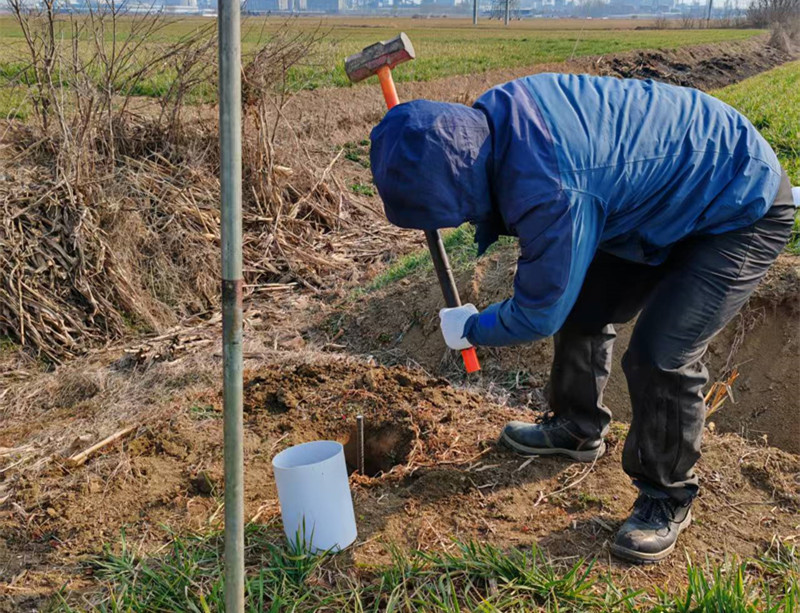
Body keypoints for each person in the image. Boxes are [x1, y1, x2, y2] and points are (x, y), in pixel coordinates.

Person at [369, 73, 797, 564]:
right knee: (585, 306)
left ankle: (666, 497)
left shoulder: (550, 187)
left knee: (662, 354)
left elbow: (537, 312)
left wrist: (472, 327)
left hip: (740, 204)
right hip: (661, 195)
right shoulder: (493, 120)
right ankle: (576, 427)